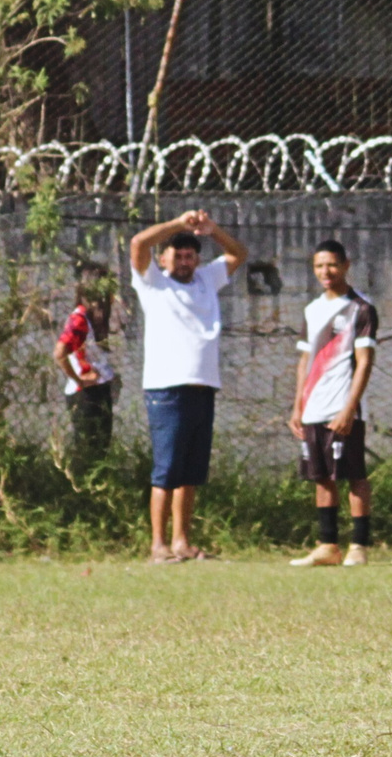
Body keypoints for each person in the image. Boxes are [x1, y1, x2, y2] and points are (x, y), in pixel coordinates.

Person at [128, 209, 248, 564]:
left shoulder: (206, 280)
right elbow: (138, 243)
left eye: (189, 254)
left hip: (203, 385)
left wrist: (213, 231)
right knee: (166, 470)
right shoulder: (153, 282)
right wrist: (178, 224)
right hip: (166, 389)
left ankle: (182, 541)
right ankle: (158, 545)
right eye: (177, 254)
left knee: (190, 472)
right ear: (164, 258)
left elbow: (238, 254)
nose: (183, 260)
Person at [288, 239, 380, 566]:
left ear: (345, 265)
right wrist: (298, 405)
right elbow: (304, 361)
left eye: (331, 265)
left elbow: (365, 361)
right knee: (321, 476)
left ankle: (359, 545)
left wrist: (349, 408)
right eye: (319, 266)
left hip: (343, 406)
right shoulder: (312, 310)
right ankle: (327, 545)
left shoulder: (361, 308)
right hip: (313, 406)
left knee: (354, 474)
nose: (325, 272)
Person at [53, 263, 119, 471]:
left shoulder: (98, 318)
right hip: (85, 394)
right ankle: (80, 495)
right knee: (87, 453)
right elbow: (60, 352)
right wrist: (79, 379)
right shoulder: (79, 319)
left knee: (101, 452)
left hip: (100, 390)